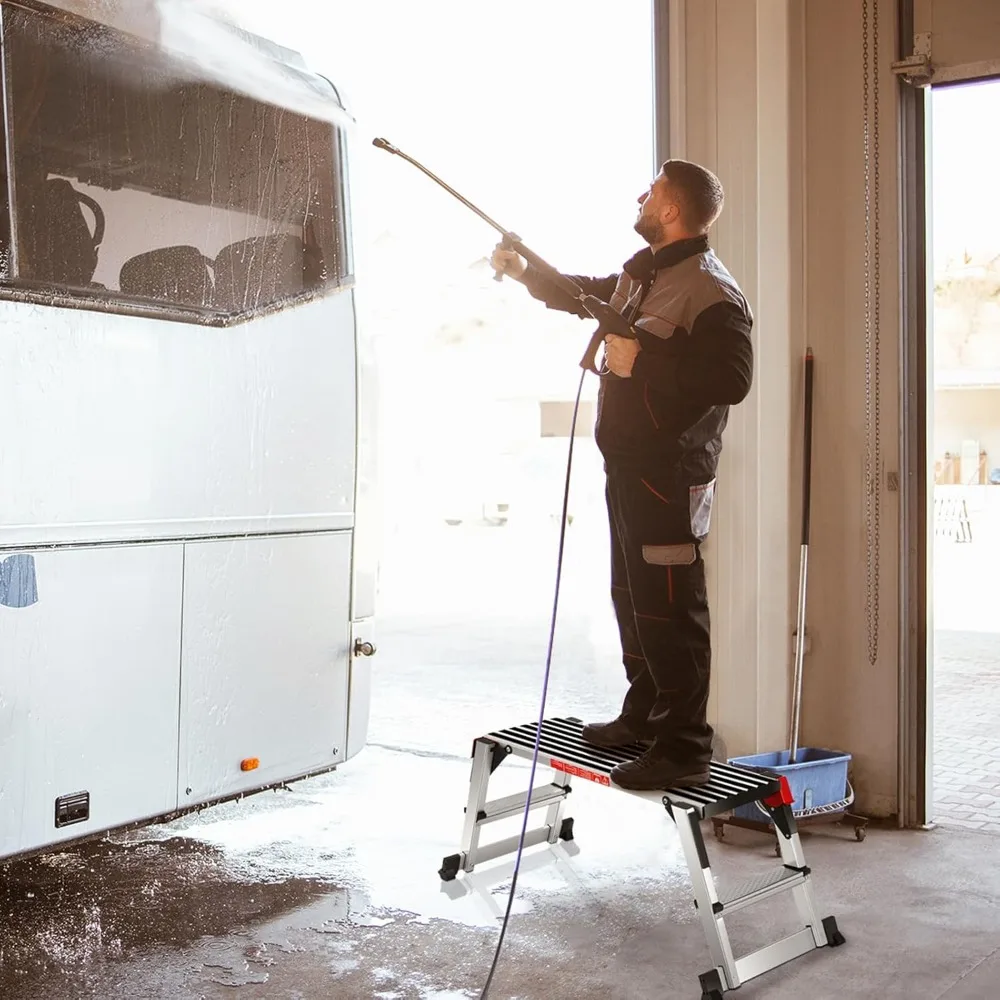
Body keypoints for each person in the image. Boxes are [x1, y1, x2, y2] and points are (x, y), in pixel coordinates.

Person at [492, 159, 753, 791]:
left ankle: (685, 745)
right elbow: (586, 295)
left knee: (672, 608)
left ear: (672, 210)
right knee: (633, 599)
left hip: (672, 475)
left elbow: (733, 379)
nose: (641, 196)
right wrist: (528, 272)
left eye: (653, 190)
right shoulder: (647, 278)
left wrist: (646, 358)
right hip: (631, 471)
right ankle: (644, 717)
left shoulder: (711, 291)